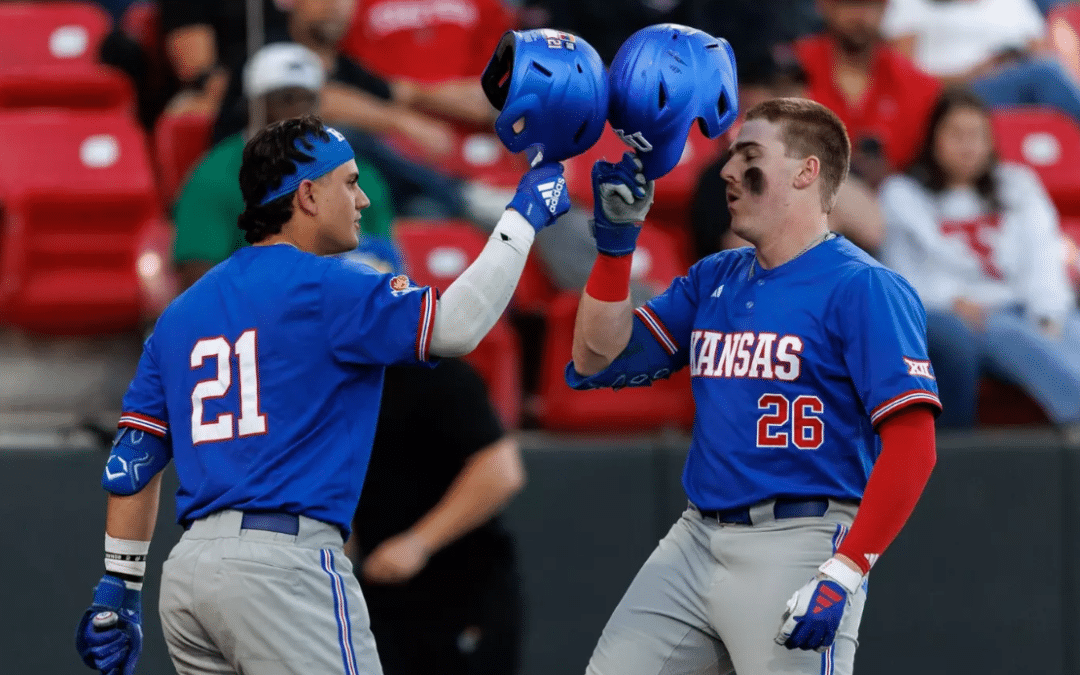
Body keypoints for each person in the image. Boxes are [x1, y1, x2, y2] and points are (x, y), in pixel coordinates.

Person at [73, 113, 571, 675]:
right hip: (285, 567)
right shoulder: (328, 284)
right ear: (307, 195)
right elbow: (456, 327)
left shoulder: (181, 312)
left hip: (189, 575)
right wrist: (522, 219)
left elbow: (134, 463)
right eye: (350, 182)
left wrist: (118, 587)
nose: (363, 199)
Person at [569, 97, 940, 674]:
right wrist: (615, 248)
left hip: (799, 539)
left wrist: (845, 570)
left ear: (806, 171)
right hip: (695, 536)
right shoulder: (714, 276)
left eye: (749, 156)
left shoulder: (864, 286)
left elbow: (914, 445)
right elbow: (596, 356)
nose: (726, 170)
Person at [348, 241, 526, 674]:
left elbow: (501, 470)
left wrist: (418, 542)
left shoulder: (436, 372)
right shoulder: (339, 384)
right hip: (380, 597)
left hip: (459, 591)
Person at [880, 87, 1080, 430]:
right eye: (956, 134)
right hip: (966, 318)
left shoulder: (1017, 184)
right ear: (933, 140)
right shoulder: (902, 194)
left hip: (1026, 306)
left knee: (1069, 330)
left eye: (977, 135)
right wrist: (949, 301)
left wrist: (1047, 311)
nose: (968, 145)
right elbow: (899, 274)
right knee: (1010, 334)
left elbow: (1044, 256)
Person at [173, 41, 395, 291]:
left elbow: (387, 266)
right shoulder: (215, 176)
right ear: (254, 105)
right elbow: (198, 281)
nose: (299, 112)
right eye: (286, 99)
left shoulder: (359, 174)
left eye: (308, 99)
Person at [792, 0, 942, 185]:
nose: (860, 16)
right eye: (850, 4)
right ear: (824, 6)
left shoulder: (919, 85)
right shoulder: (790, 67)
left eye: (871, 5)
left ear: (886, 8)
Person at [882, 0, 1080, 124]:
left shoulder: (1015, 4)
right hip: (951, 91)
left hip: (1012, 86)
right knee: (1046, 73)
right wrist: (974, 73)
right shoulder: (912, 4)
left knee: (1047, 70)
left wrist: (1007, 62)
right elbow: (902, 73)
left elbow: (1041, 53)